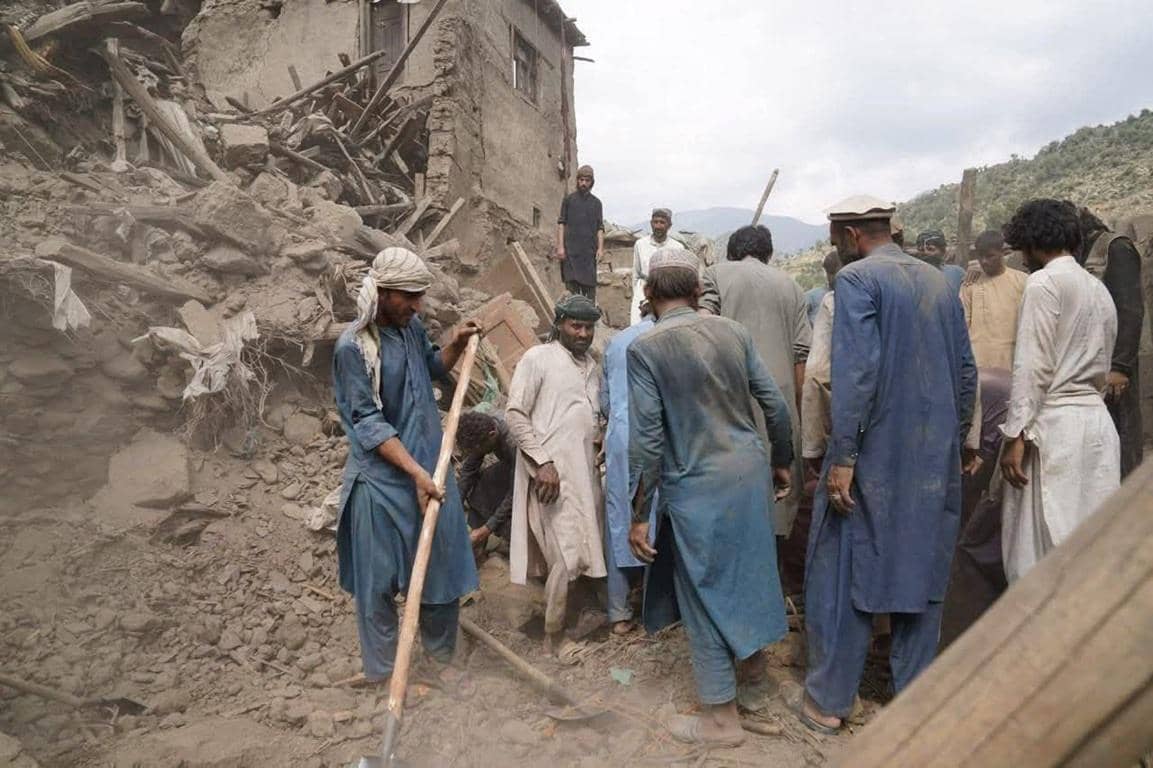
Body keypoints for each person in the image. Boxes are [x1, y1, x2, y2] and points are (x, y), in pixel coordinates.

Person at [802, 196, 976, 734]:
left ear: (852, 234)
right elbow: (966, 372)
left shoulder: (857, 281)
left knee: (847, 567)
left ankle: (831, 702)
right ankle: (916, 703)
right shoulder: (940, 283)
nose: (834, 247)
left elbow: (856, 377)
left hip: (872, 450)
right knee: (922, 568)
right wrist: (960, 440)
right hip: (932, 454)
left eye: (835, 237)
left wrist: (845, 457)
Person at [627, 248, 794, 748]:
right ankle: (758, 690)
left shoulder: (647, 348)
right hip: (747, 474)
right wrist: (781, 457)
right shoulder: (733, 332)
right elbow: (775, 404)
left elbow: (648, 441)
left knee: (701, 594)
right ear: (698, 292)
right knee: (748, 577)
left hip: (696, 484)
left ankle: (722, 719)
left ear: (649, 296)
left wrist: (639, 515)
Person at [332, 247, 481, 685]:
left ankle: (439, 662)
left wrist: (454, 343)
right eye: (409, 296)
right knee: (375, 580)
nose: (417, 306)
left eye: (419, 296)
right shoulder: (353, 348)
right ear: (382, 292)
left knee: (440, 565)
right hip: (383, 479)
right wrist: (414, 473)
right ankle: (382, 671)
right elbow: (368, 422)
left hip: (431, 469)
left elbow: (432, 367)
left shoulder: (410, 328)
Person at [1000, 199, 1119, 582]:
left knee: (1036, 554)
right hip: (1097, 425)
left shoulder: (1043, 283)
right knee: (1094, 545)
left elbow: (1032, 366)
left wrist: (1016, 433)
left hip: (1054, 426)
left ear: (1032, 243)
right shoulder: (1097, 289)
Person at [506, 295, 606, 658]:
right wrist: (543, 463)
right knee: (564, 557)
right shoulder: (538, 358)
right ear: (559, 324)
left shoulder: (592, 366)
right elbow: (515, 414)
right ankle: (553, 638)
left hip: (586, 475)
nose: (582, 333)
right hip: (552, 477)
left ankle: (575, 621)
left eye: (588, 327)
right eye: (575, 326)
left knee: (580, 552)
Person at [700, 225, 810, 540]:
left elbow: (701, 332)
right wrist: (798, 417)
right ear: (768, 254)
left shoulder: (715, 275)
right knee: (777, 501)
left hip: (729, 404)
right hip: (782, 406)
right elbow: (801, 356)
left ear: (732, 252)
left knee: (730, 504)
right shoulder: (792, 286)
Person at [939, 367, 1012, 647]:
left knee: (972, 543)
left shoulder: (957, 392)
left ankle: (959, 640)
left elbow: (974, 459)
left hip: (1007, 436)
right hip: (1008, 429)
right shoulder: (964, 379)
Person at [599, 301, 656, 635]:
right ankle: (654, 610)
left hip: (620, 438)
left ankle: (619, 613)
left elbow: (605, 402)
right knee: (657, 517)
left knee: (619, 519)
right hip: (658, 438)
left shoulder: (617, 342)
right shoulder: (671, 334)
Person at [1076, 206, 1144, 478]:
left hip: (1116, 364)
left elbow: (1130, 309)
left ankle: (1129, 504)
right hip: (1094, 360)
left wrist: (1120, 366)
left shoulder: (1115, 248)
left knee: (1124, 431)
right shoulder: (1084, 252)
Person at [960, 230, 1029, 371]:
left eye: (990, 256)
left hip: (1011, 362)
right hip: (977, 364)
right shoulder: (970, 284)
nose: (984, 261)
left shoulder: (1022, 281)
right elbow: (962, 326)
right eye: (980, 256)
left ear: (1002, 253)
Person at [456, 410, 517, 551]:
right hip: (510, 467)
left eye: (479, 449)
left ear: (492, 435)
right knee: (481, 486)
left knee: (510, 509)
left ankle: (515, 538)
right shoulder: (484, 429)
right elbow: (468, 471)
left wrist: (488, 528)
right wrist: (455, 505)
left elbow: (515, 492)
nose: (477, 453)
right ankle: (475, 543)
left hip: (530, 474)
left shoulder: (512, 441)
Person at [556, 166, 605, 301]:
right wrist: (560, 247)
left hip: (588, 255)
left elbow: (600, 228)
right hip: (571, 254)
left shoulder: (597, 204)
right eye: (581, 180)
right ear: (577, 181)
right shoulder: (568, 200)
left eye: (587, 180)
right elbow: (561, 223)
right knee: (572, 297)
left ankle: (589, 321)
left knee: (589, 298)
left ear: (591, 182)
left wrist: (600, 249)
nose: (583, 183)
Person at [631, 208, 686, 325]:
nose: (658, 226)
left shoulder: (678, 247)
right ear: (651, 223)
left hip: (667, 291)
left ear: (669, 225)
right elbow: (636, 273)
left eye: (662, 222)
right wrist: (637, 293)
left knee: (665, 325)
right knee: (638, 325)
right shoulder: (640, 244)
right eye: (655, 222)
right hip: (644, 289)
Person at [917, 229, 966, 294]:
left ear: (943, 251)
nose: (925, 253)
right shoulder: (911, 275)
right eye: (921, 250)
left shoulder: (957, 273)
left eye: (930, 249)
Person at [804, 250, 841, 326]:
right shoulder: (813, 296)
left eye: (834, 272)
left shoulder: (851, 295)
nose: (833, 277)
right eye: (830, 273)